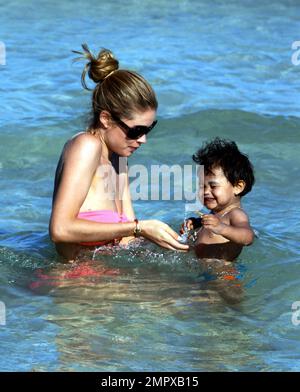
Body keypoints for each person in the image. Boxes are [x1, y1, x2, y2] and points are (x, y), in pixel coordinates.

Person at [49, 44, 188, 263]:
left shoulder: (118, 159)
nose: (143, 139)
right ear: (106, 119)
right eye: (136, 130)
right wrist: (140, 228)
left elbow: (127, 239)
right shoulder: (87, 146)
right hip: (76, 284)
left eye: (148, 129)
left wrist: (174, 241)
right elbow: (60, 229)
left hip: (107, 278)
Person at [182, 137, 255, 261]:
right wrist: (196, 223)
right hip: (203, 271)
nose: (205, 192)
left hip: (222, 275)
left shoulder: (236, 214)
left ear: (238, 187)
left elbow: (248, 237)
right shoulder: (216, 214)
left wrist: (221, 228)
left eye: (213, 186)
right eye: (201, 186)